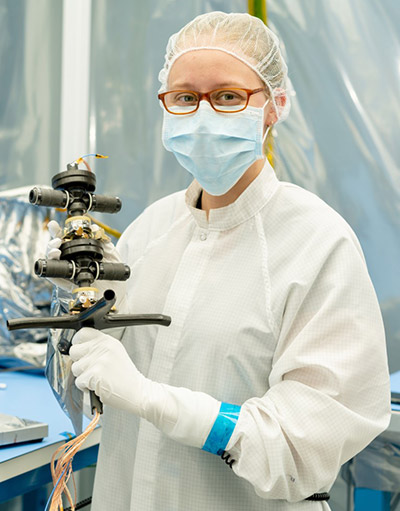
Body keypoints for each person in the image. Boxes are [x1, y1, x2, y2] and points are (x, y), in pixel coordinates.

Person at [50, 11, 391, 511]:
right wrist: (76, 325)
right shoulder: (149, 231)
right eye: (185, 97)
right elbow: (82, 403)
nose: (203, 115)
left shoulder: (318, 244)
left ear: (273, 107)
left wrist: (152, 400)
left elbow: (301, 448)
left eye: (228, 97)